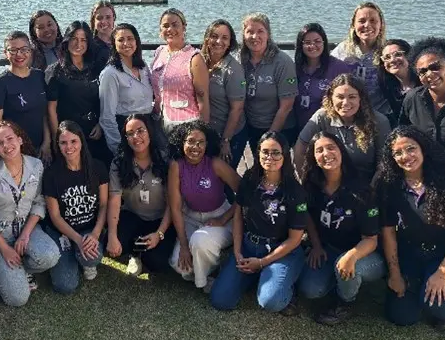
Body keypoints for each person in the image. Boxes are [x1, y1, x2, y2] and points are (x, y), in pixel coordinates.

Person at [374, 127, 445, 332]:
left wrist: (442, 273)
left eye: (411, 149)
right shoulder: (388, 183)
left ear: (423, 148)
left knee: (442, 308)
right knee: (401, 316)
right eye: (398, 153)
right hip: (408, 253)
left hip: (441, 254)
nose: (405, 156)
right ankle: (417, 285)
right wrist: (395, 273)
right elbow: (388, 231)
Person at [210, 132, 307, 312]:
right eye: (265, 152)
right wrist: (238, 252)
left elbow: (294, 239)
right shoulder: (249, 179)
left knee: (270, 302)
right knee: (220, 300)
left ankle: (285, 286)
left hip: (281, 250)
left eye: (276, 152)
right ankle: (258, 276)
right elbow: (238, 216)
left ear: (285, 155)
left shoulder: (295, 191)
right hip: (249, 245)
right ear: (258, 154)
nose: (270, 157)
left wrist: (262, 262)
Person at [297, 132, 384, 324]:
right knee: (311, 290)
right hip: (329, 249)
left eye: (331, 147)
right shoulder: (311, 185)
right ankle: (340, 283)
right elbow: (308, 216)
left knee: (345, 266)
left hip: (365, 254)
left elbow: (371, 239)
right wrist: (316, 245)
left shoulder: (361, 189)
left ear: (341, 151)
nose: (326, 153)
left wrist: (351, 256)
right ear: (314, 158)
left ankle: (346, 303)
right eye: (319, 150)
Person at [0, 121, 61, 306]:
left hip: (26, 228)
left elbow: (39, 202)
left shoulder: (36, 165)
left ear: (20, 139)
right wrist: (5, 249)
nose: (6, 145)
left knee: (51, 255)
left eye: (10, 138)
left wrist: (25, 234)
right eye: (0, 143)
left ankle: (18, 269)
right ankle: (0, 267)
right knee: (18, 299)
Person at [167, 120, 240, 293]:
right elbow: (175, 208)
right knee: (179, 265)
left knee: (200, 241)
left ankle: (203, 282)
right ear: (182, 142)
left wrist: (224, 218)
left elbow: (245, 193)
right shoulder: (176, 166)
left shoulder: (215, 164)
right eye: (190, 141)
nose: (195, 147)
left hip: (219, 216)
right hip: (190, 217)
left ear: (207, 144)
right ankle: (211, 265)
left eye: (201, 142)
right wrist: (184, 246)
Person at [42, 121, 109, 293]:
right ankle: (67, 254)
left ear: (81, 142)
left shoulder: (97, 167)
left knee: (91, 258)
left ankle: (83, 259)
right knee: (66, 286)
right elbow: (55, 217)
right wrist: (77, 240)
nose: (69, 147)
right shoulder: (51, 174)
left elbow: (103, 204)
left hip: (88, 229)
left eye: (73, 141)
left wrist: (94, 234)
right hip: (61, 232)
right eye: (63, 143)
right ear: (57, 145)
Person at [105, 114, 176, 276]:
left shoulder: (165, 160)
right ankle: (134, 254)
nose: (136, 137)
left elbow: (173, 203)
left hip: (161, 219)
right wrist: (112, 236)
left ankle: (147, 251)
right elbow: (115, 201)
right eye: (130, 133)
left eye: (140, 131)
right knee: (114, 244)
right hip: (132, 215)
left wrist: (159, 234)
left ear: (150, 132)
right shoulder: (119, 163)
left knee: (157, 262)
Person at [294, 74, 391, 182]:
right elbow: (300, 148)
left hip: (366, 184)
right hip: (328, 184)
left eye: (352, 97)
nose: (345, 103)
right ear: (331, 97)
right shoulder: (322, 117)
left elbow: (384, 163)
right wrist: (305, 183)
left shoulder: (379, 121)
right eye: (340, 97)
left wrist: (373, 191)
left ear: (361, 98)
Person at [399, 37, 445, 173]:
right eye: (423, 71)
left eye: (435, 67)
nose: (430, 74)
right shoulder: (412, 99)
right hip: (424, 175)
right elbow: (404, 134)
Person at [46, 21, 111, 166]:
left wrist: (101, 123)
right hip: (69, 135)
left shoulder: (97, 67)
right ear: (66, 41)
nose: (78, 44)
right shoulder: (55, 71)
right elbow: (51, 109)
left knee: (100, 171)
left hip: (95, 131)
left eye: (83, 40)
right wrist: (58, 139)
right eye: (74, 39)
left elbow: (105, 99)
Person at [0, 31, 51, 162]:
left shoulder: (39, 76)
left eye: (24, 49)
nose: (19, 54)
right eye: (13, 50)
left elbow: (45, 114)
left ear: (30, 51)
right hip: (15, 151)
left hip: (41, 147)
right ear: (5, 53)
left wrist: (47, 143)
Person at [240, 13, 298, 152]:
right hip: (252, 125)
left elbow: (286, 106)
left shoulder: (283, 62)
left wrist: (270, 137)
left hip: (281, 127)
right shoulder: (239, 59)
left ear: (268, 34)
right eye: (250, 32)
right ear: (243, 35)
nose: (255, 37)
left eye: (260, 31)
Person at [98, 23, 157, 155]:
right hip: (126, 130)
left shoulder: (143, 68)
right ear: (114, 44)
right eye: (121, 40)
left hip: (149, 128)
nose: (126, 43)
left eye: (130, 38)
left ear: (136, 41)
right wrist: (118, 149)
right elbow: (107, 116)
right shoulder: (110, 73)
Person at [150, 8, 210, 134]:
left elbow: (203, 98)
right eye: (165, 26)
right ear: (160, 30)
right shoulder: (159, 52)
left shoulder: (194, 58)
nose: (170, 29)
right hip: (158, 122)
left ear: (184, 27)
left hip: (185, 124)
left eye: (175, 25)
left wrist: (203, 132)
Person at [200, 19, 247, 170]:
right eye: (214, 36)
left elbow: (237, 109)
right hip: (206, 132)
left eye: (224, 38)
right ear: (207, 38)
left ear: (230, 43)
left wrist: (226, 141)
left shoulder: (233, 70)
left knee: (224, 179)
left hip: (230, 134)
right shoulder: (199, 62)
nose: (218, 41)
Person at [331, 2, 391, 116]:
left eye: (373, 21)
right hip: (347, 113)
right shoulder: (341, 51)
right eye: (362, 21)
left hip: (379, 114)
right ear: (353, 25)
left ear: (381, 25)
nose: (367, 25)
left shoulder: (387, 52)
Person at [293, 23, 352, 135]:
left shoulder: (338, 68)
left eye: (317, 41)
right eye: (307, 42)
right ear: (301, 45)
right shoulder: (295, 68)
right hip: (299, 127)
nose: (313, 45)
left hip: (328, 128)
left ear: (324, 43)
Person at [376, 38, 417, 127]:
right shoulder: (387, 84)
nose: (392, 60)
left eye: (398, 54)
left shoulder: (422, 82)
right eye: (387, 57)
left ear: (409, 56)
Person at [89, 0, 116, 64]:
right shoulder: (89, 47)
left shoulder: (121, 42)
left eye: (108, 17)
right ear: (93, 21)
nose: (103, 21)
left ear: (113, 18)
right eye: (99, 18)